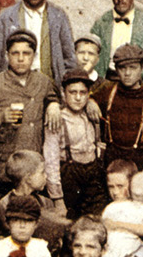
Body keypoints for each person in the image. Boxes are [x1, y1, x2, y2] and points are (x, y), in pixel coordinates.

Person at [0, 29, 57, 203]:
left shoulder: (43, 82)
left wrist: (54, 104)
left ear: (34, 56)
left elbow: (53, 95)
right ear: (6, 56)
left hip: (32, 170)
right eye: (15, 53)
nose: (21, 59)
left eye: (26, 53)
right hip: (1, 172)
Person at [44, 71, 106, 221]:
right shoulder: (57, 119)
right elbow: (50, 160)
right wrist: (57, 198)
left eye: (83, 93)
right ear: (63, 93)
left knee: (95, 221)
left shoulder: (90, 114)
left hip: (92, 176)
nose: (78, 98)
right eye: (72, 92)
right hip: (69, 179)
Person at [94, 44, 143, 171]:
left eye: (133, 68)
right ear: (116, 69)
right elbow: (85, 101)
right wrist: (90, 103)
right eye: (122, 68)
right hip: (111, 164)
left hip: (141, 164)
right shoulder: (106, 93)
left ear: (142, 68)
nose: (127, 73)